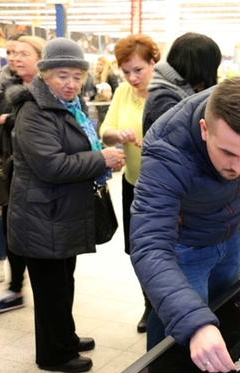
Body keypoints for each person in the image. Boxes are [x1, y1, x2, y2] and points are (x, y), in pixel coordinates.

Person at [130, 76, 240, 373]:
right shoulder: (166, 152)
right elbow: (149, 245)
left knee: (224, 313)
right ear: (204, 130)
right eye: (229, 153)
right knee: (179, 332)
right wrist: (194, 324)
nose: (238, 166)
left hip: (230, 235)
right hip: (187, 245)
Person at [7, 37, 125, 373]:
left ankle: (65, 338)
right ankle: (53, 355)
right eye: (62, 75)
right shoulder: (34, 111)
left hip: (60, 212)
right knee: (50, 290)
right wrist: (99, 158)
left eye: (76, 75)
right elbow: (52, 166)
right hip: (41, 215)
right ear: (44, 74)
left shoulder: (70, 107)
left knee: (63, 282)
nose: (71, 83)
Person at [137, 32, 221, 333]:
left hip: (203, 216)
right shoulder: (166, 99)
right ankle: (162, 369)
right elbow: (178, 160)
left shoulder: (186, 93)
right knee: (178, 307)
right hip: (181, 216)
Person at [0, 35, 47, 312]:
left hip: (40, 173)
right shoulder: (6, 87)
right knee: (10, 227)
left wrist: (15, 119)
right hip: (9, 170)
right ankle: (15, 287)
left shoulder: (49, 88)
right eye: (13, 53)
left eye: (23, 53)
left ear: (40, 58)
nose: (15, 58)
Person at [99, 34, 159, 333]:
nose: (133, 77)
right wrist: (118, 134)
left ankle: (166, 302)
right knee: (137, 249)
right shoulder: (123, 92)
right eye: (126, 71)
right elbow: (105, 130)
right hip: (133, 184)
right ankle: (149, 304)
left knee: (163, 247)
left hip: (163, 188)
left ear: (153, 63)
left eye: (139, 69)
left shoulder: (165, 93)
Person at [93, 56, 120, 130]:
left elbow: (116, 90)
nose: (98, 66)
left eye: (101, 64)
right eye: (97, 64)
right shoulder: (98, 76)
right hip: (100, 103)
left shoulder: (111, 75)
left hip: (108, 104)